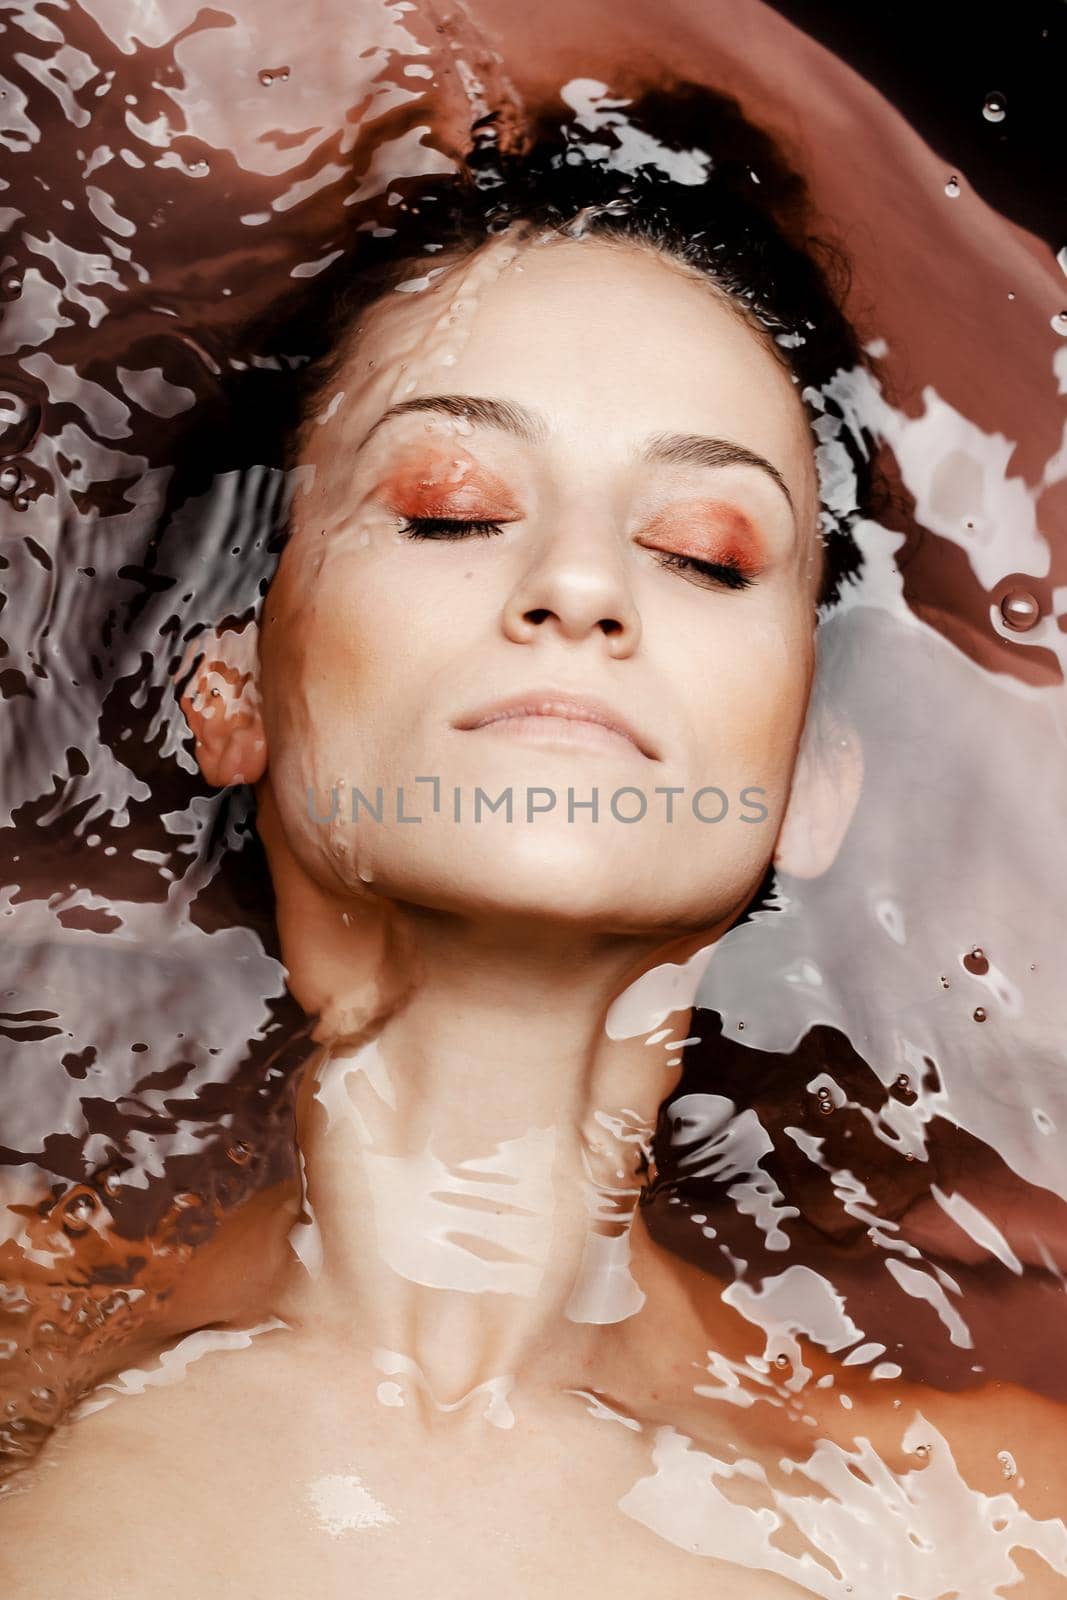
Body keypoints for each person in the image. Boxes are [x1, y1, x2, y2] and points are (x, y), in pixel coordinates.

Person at [4, 80, 1065, 1599]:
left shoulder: (993, 1525)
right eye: (450, 512)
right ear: (233, 683)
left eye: (706, 551)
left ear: (813, 781)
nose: (578, 586)